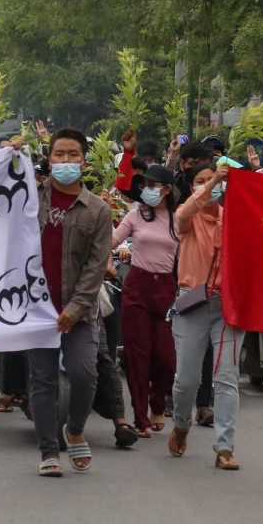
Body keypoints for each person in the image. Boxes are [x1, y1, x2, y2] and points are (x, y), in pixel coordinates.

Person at [28, 128, 111, 477]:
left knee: (84, 373)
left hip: (80, 312)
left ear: (84, 161)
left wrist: (74, 310)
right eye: (58, 155)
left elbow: (95, 269)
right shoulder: (29, 199)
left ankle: (75, 427)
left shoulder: (98, 210)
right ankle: (49, 451)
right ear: (49, 160)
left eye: (72, 155)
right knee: (42, 380)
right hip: (35, 310)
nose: (65, 161)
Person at [169, 162, 243, 471]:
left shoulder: (236, 220)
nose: (210, 186)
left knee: (226, 377)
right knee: (187, 379)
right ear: (193, 188)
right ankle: (182, 422)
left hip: (228, 308)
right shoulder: (186, 219)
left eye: (213, 180)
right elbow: (183, 214)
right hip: (192, 303)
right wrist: (212, 181)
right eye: (200, 181)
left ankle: (224, 447)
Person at [114, 164, 179, 440]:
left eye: (153, 185)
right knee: (137, 356)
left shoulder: (179, 219)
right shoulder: (135, 215)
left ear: (166, 189)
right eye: (145, 185)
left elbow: (188, 256)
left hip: (166, 288)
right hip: (137, 286)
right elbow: (113, 240)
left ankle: (158, 402)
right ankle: (140, 417)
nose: (147, 190)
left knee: (167, 359)